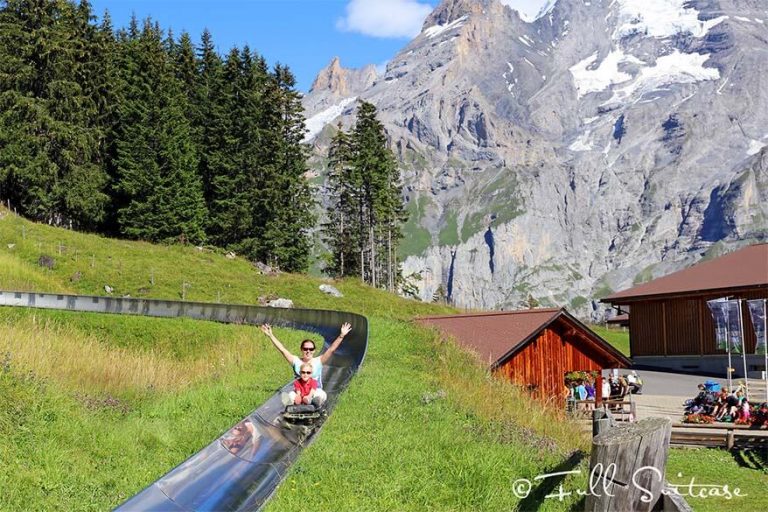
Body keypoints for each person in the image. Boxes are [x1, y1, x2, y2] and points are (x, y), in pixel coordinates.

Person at [261, 321, 352, 405]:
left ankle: (315, 402)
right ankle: (291, 403)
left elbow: (331, 349)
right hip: (299, 393)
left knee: (320, 394)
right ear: (302, 350)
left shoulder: (319, 361)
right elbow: (282, 350)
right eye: (305, 349)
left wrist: (341, 335)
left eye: (311, 349)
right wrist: (271, 335)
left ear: (314, 350)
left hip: (314, 391)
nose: (308, 351)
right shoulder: (296, 361)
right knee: (291, 395)